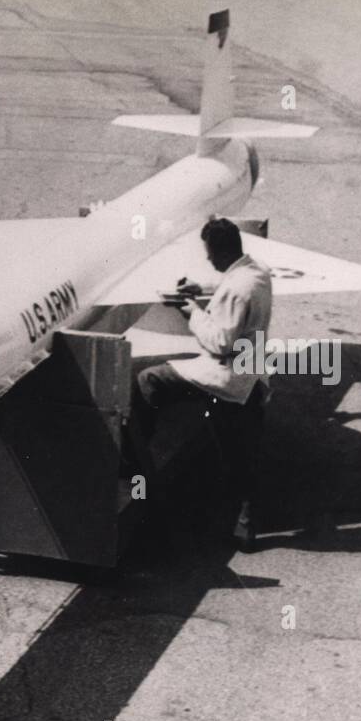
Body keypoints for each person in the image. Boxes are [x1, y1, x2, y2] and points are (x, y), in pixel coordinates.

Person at [131, 217, 272, 546]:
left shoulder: (237, 288)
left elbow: (219, 342)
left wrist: (192, 310)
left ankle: (136, 459)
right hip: (250, 367)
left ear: (222, 252)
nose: (208, 259)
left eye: (210, 254)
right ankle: (245, 523)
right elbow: (232, 287)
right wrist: (202, 290)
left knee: (148, 380)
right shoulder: (257, 272)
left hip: (224, 372)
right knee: (239, 448)